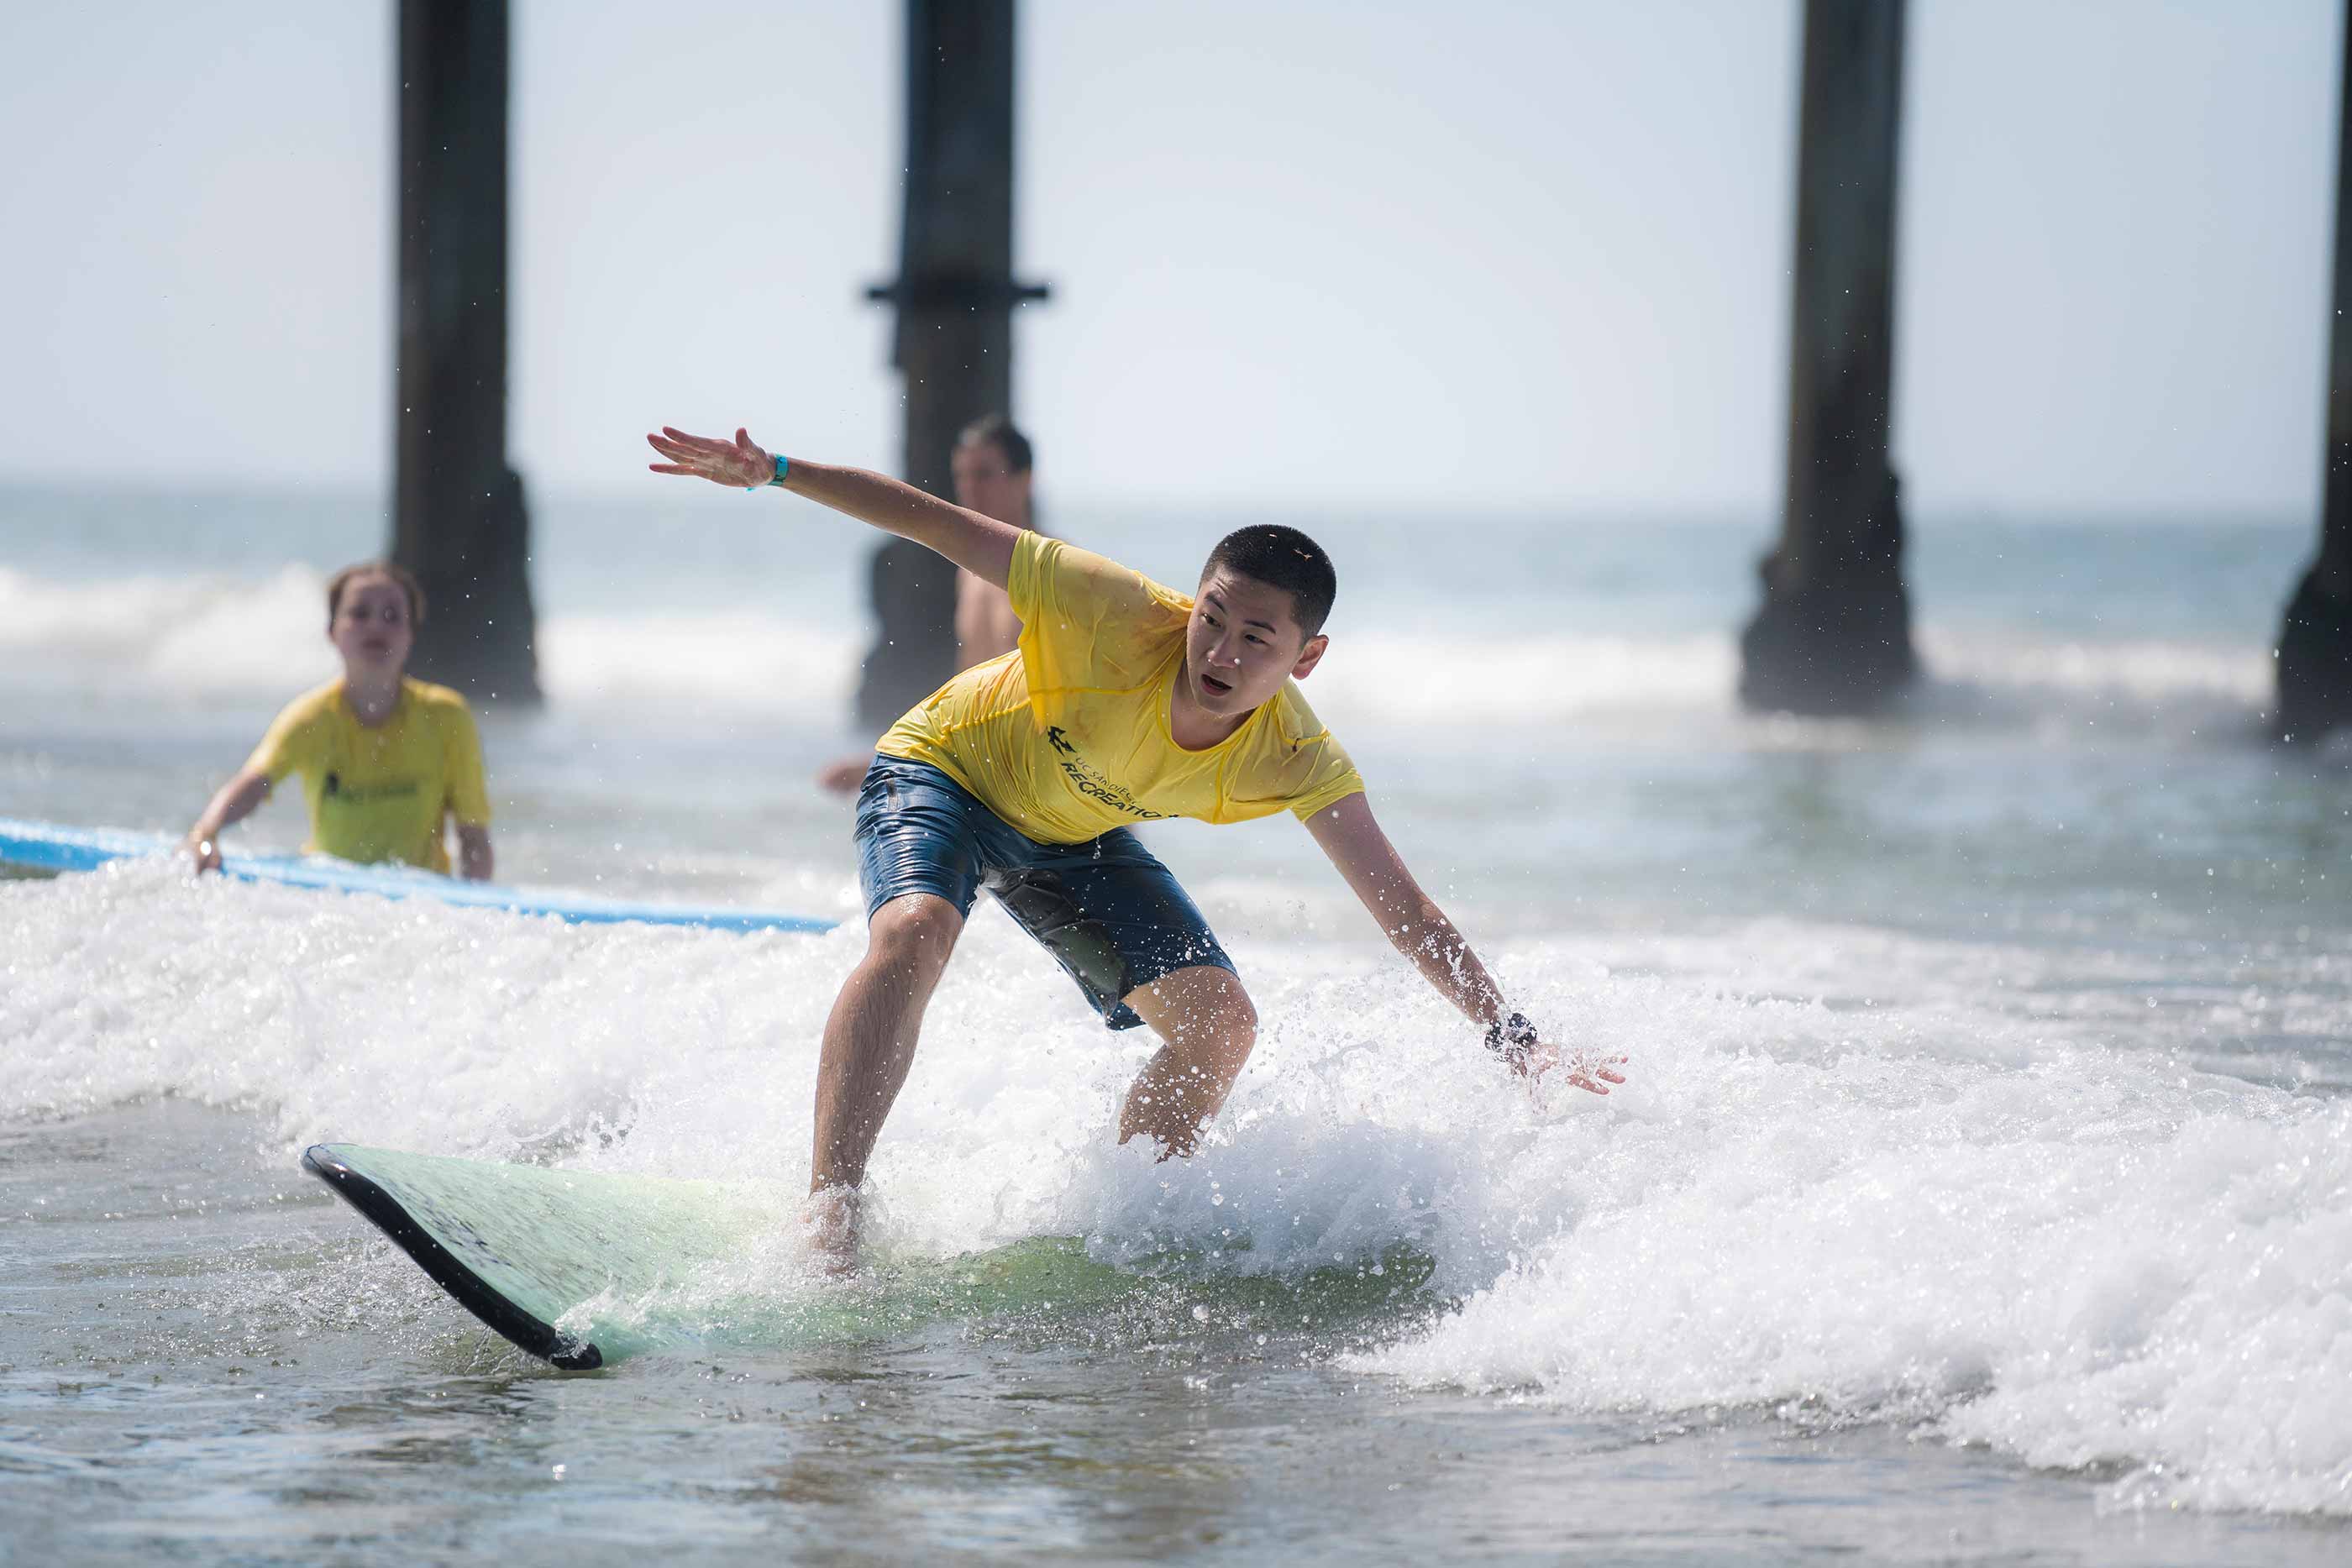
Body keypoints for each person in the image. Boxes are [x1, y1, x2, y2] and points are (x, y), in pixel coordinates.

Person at [647, 423, 1625, 1261]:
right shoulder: (1107, 606)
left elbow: (1405, 911)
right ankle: (832, 1214)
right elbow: (929, 522)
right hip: (942, 768)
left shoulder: (1296, 757)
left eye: (1257, 640)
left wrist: (1515, 1041)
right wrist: (775, 471)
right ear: (1190, 601)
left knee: (1221, 1025)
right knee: (913, 931)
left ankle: (1128, 1226)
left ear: (1305, 659)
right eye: (1212, 620)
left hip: (1068, 833)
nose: (1221, 654)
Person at [182, 561, 495, 880]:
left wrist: (476, 914)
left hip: (420, 903)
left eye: (392, 616)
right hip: (331, 897)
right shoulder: (311, 718)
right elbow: (253, 783)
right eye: (360, 613)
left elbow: (473, 835)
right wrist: (205, 834)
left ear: (411, 633)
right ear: (332, 632)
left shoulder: (447, 717)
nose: (376, 626)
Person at [814, 413, 1043, 794]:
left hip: (1037, 792)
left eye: (984, 474)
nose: (970, 489)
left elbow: (1082, 702)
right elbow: (970, 693)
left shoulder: (1046, 572)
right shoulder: (969, 573)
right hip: (985, 780)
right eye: (963, 476)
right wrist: (890, 758)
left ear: (1024, 479)